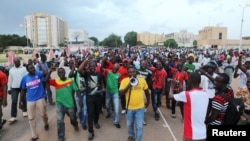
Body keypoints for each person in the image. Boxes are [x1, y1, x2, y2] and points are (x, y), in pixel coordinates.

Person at [169, 72, 209, 141]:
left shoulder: (187, 95)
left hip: (191, 135)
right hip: (203, 133)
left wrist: (172, 86)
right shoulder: (206, 94)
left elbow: (170, 96)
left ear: (190, 81)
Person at [19, 59, 49, 141]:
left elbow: (46, 72)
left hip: (40, 98)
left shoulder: (38, 74)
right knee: (31, 118)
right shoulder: (25, 78)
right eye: (31, 68)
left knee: (43, 114)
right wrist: (20, 102)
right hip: (30, 100)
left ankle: (46, 123)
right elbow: (23, 90)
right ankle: (34, 135)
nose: (33, 69)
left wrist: (39, 62)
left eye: (33, 68)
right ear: (27, 70)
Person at [47, 67, 79, 141]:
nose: (61, 74)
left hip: (70, 104)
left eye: (62, 72)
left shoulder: (70, 80)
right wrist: (50, 72)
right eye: (59, 72)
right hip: (59, 104)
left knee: (73, 118)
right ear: (57, 74)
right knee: (60, 121)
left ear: (65, 73)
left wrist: (79, 100)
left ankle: (75, 124)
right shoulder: (56, 81)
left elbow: (77, 90)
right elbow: (46, 81)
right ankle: (61, 137)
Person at [119, 66, 150, 141]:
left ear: (136, 72)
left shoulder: (142, 80)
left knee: (139, 126)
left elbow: (146, 91)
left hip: (140, 108)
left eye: (133, 72)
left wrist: (148, 101)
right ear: (127, 73)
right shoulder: (124, 81)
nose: (132, 73)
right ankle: (131, 135)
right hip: (129, 108)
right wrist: (128, 85)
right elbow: (120, 94)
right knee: (129, 125)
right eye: (130, 72)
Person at [78, 58, 104, 141]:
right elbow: (79, 69)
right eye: (91, 66)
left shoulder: (99, 74)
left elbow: (102, 83)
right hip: (89, 98)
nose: (92, 67)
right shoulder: (86, 74)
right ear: (88, 67)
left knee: (97, 111)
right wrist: (86, 61)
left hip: (98, 97)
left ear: (96, 66)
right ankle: (91, 131)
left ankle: (96, 121)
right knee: (90, 114)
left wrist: (102, 90)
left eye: (94, 66)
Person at [101, 62, 121, 128]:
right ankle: (109, 112)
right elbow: (101, 69)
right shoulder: (108, 71)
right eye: (114, 67)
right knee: (107, 105)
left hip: (115, 92)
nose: (115, 69)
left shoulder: (119, 75)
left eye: (116, 68)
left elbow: (120, 83)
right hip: (108, 92)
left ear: (118, 69)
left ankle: (116, 122)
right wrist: (103, 61)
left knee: (116, 108)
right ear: (112, 67)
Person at [8, 58, 28, 123]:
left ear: (20, 62)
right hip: (14, 87)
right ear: (14, 62)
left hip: (22, 87)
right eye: (15, 61)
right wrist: (9, 88)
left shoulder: (24, 69)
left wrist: (27, 86)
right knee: (14, 101)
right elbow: (10, 80)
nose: (17, 62)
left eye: (18, 61)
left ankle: (24, 111)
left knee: (24, 99)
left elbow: (26, 78)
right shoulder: (11, 70)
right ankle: (13, 116)